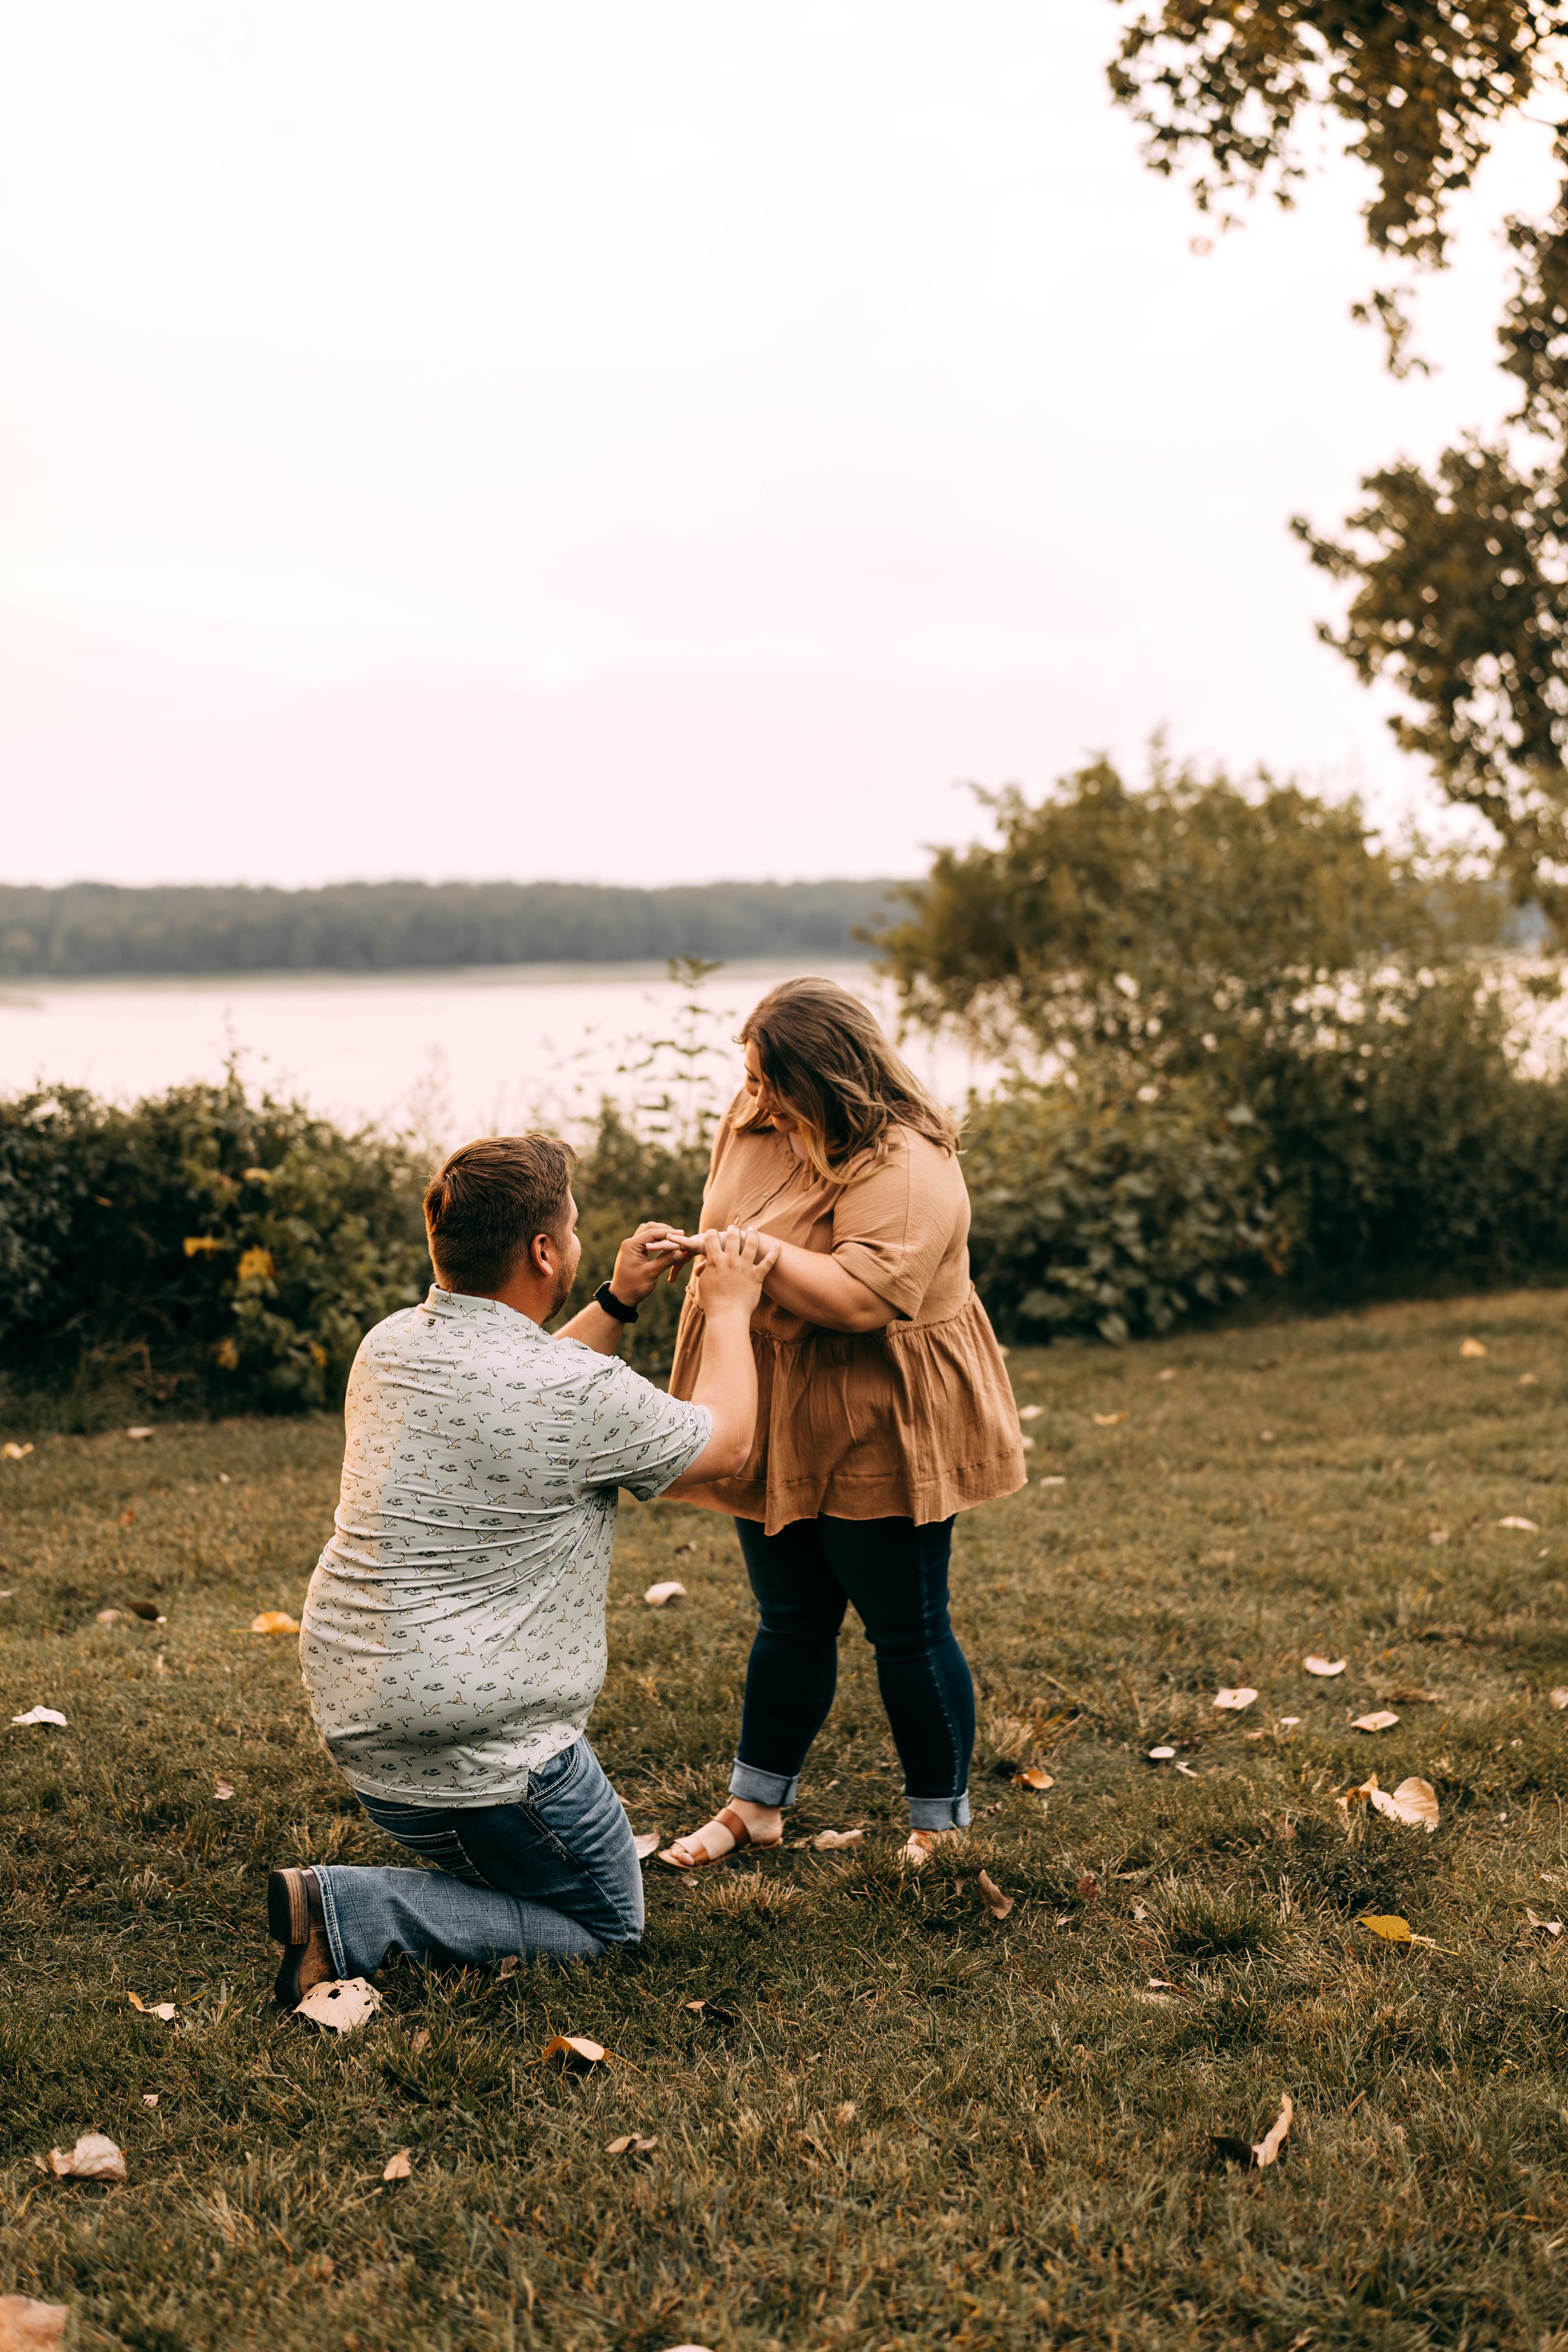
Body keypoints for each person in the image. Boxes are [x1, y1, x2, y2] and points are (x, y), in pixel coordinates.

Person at [268, 1132, 777, 2007]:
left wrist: (617, 1297)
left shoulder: (389, 1345)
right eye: (572, 1229)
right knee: (608, 1921)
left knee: (533, 1884)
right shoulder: (568, 1392)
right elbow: (727, 1445)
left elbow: (536, 1381)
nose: (577, 1242)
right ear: (544, 1250)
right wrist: (728, 1308)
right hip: (492, 1753)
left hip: (361, 1715)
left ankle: (373, 1898)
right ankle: (350, 1907)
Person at [657, 976, 1025, 1872]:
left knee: (906, 1625)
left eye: (771, 1083)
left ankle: (939, 1825)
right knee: (788, 1616)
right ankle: (757, 1805)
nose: (754, 1099)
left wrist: (754, 1260)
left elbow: (865, 1297)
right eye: (748, 1077)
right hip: (771, 1391)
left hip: (877, 1403)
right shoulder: (753, 1116)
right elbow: (731, 1214)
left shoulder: (905, 1161)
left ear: (826, 1080)